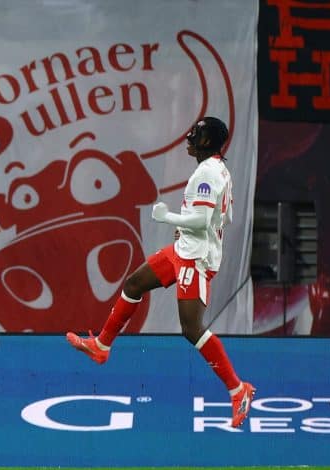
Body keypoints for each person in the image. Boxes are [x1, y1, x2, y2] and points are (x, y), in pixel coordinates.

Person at [66, 116, 255, 427]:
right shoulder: (218, 169)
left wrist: (168, 217)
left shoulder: (208, 172)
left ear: (208, 141)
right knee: (134, 284)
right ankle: (102, 345)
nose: (190, 137)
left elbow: (202, 220)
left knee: (191, 328)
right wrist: (190, 228)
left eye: (197, 133)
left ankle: (238, 389)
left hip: (196, 258)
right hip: (184, 250)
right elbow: (225, 215)